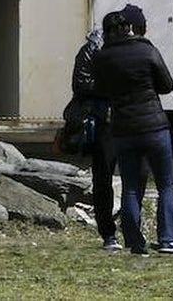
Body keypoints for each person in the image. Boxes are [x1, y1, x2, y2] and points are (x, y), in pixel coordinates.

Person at [92, 7, 173, 255]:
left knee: (130, 186)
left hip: (122, 128)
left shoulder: (102, 58)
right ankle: (168, 239)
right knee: (165, 184)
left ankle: (134, 241)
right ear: (128, 28)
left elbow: (99, 90)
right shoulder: (146, 49)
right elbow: (166, 85)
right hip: (154, 125)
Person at [70, 25, 118, 250]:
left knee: (130, 176)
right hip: (101, 120)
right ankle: (108, 232)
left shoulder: (120, 51)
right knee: (103, 178)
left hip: (121, 118)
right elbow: (81, 84)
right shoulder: (91, 51)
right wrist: (110, 88)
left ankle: (123, 230)